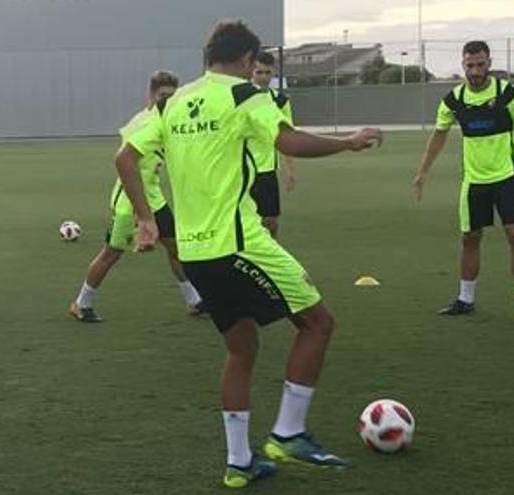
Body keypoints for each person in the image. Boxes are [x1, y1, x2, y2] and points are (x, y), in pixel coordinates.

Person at [115, 20, 383, 488]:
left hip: (196, 254)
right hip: (240, 242)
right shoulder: (244, 96)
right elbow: (288, 140)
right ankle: (289, 432)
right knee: (318, 323)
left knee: (241, 349)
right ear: (245, 61)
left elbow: (124, 158)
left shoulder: (170, 103)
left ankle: (239, 462)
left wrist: (146, 219)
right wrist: (349, 142)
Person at [412, 40, 514, 325]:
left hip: (508, 176)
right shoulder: (453, 101)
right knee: (470, 238)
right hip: (474, 182)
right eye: (470, 65)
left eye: (480, 65)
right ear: (463, 65)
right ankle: (465, 299)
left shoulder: (509, 95)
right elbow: (439, 134)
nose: (475, 71)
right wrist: (422, 172)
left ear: (489, 63)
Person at [68, 70, 204, 323]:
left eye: (171, 96)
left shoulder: (168, 119)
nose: (166, 101)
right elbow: (125, 164)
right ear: (151, 95)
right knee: (112, 252)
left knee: (176, 248)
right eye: (162, 95)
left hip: (154, 196)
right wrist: (138, 216)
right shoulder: (141, 123)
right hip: (130, 198)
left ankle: (194, 300)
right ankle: (81, 302)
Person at [251, 49, 296, 237]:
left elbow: (287, 136)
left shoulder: (279, 100)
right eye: (259, 72)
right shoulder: (238, 98)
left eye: (267, 72)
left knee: (270, 221)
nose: (263, 77)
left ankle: (271, 259)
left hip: (267, 171)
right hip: (240, 170)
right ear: (251, 72)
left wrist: (291, 170)